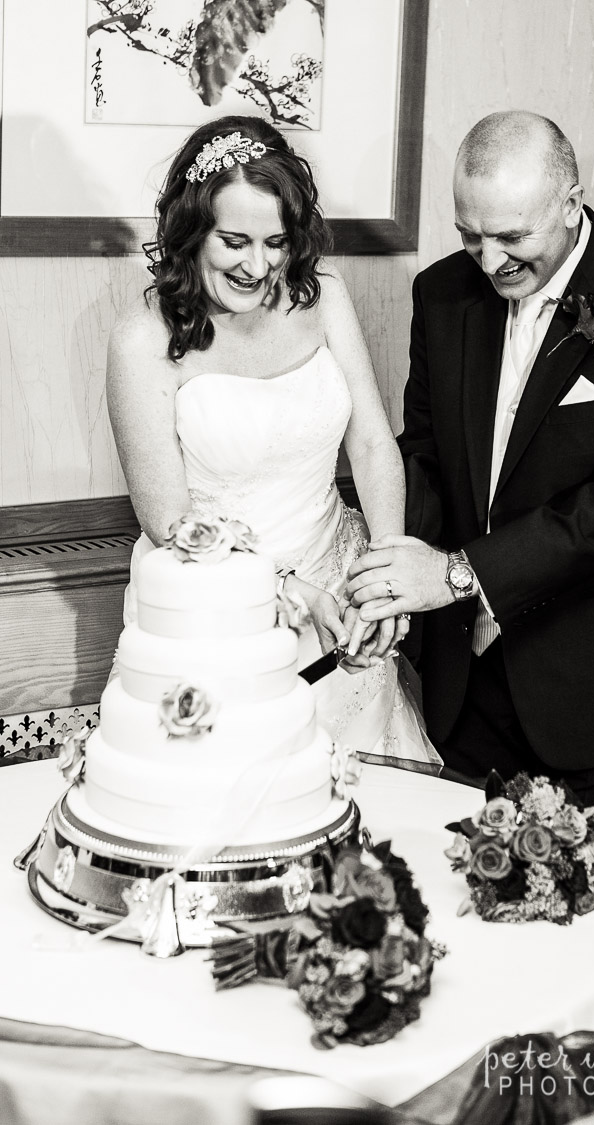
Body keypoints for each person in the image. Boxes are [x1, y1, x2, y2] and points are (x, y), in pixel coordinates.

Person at [347, 110, 594, 864]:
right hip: (463, 671)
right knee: (452, 896)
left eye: (513, 238)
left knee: (575, 914)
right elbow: (424, 452)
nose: (488, 261)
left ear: (571, 203)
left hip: (586, 678)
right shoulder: (443, 294)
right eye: (468, 234)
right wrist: (394, 570)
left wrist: (454, 574)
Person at [107, 114, 440, 774]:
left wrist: (385, 569)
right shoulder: (142, 338)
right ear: (191, 231)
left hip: (338, 583)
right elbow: (169, 520)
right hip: (211, 611)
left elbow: (372, 444)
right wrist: (291, 593)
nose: (258, 266)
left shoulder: (326, 297)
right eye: (234, 241)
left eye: (276, 243)